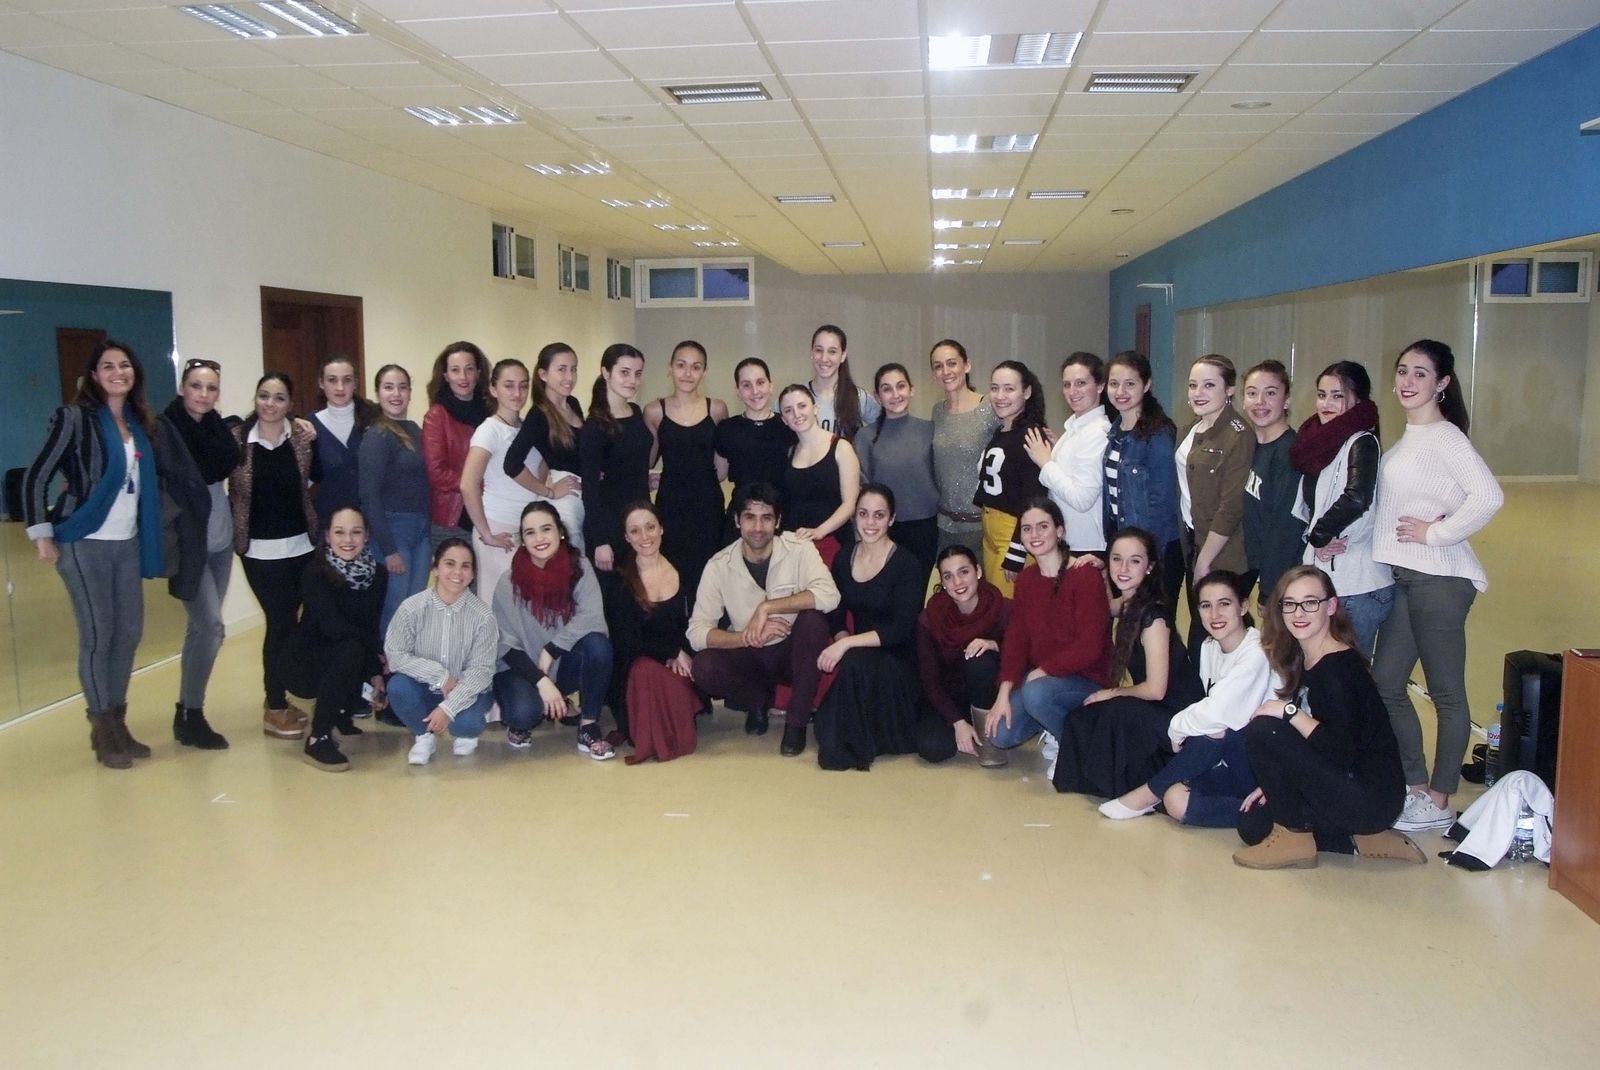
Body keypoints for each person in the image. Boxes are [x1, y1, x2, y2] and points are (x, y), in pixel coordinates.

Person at [1372, 339, 1503, 834]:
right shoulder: (1408, 439)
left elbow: (1488, 496)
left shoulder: (1446, 437)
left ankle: (1442, 796)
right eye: (1402, 371)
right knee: (1387, 683)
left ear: (1442, 384)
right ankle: (1414, 785)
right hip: (1407, 578)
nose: (1406, 381)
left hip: (1441, 580)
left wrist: (1437, 533)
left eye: (1420, 374)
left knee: (1446, 692)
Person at [24, 340, 166, 769]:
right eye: (107, 366)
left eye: (125, 365)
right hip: (83, 540)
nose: (117, 372)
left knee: (128, 634)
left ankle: (119, 721)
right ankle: (102, 730)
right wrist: (41, 533)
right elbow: (36, 475)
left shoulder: (140, 424)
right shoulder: (75, 418)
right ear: (93, 374)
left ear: (135, 373)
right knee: (99, 635)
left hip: (127, 542)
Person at [1232, 566, 1421, 869]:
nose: (1299, 613)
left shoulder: (1339, 670)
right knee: (1253, 822)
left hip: (1369, 795)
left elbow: (1340, 751)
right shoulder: (1306, 657)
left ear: (1331, 606)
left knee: (1264, 729)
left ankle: (1299, 840)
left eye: (1310, 602)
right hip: (1343, 783)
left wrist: (1288, 711)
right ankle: (1360, 840)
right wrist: (1276, 782)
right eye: (1289, 604)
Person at [1099, 570, 1274, 825]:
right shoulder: (1209, 648)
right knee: (1175, 800)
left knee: (1217, 728)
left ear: (1243, 606)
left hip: (1263, 763)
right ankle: (1271, 813)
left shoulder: (1257, 651)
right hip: (1230, 764)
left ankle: (1146, 794)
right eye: (1206, 606)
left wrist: (1176, 728)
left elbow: (1219, 713)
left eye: (1224, 604)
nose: (1214, 615)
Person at [688, 481, 841, 756]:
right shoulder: (718, 565)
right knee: (704, 666)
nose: (758, 528)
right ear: (737, 521)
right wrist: (744, 636)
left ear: (778, 521)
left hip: (793, 654)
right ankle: (757, 702)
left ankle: (796, 722)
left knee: (814, 621)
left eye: (766, 518)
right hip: (749, 654)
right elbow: (697, 632)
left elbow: (830, 595)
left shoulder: (799, 549)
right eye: (749, 517)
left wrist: (767, 607)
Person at [1053, 527, 1204, 796]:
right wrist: (1099, 571)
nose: (1123, 568)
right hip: (1153, 704)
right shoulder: (1129, 601)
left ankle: (1124, 785)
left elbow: (1156, 690)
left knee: (1112, 710)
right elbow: (1109, 607)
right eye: (1116, 559)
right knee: (1079, 718)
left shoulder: (1154, 617)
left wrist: (1110, 693)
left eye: (1134, 561)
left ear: (1149, 567)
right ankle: (1088, 785)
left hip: (1175, 713)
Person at [983, 499, 1111, 765]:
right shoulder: (1027, 579)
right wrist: (1003, 693)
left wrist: (1041, 672)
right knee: (1000, 734)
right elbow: (1016, 640)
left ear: (1060, 531)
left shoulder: (1084, 575)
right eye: (1027, 529)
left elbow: (1090, 647)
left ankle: (1077, 750)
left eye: (1043, 526)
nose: (1035, 535)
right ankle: (1053, 721)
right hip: (1046, 682)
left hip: (1087, 679)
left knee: (1036, 693)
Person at [811, 484, 929, 770]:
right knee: (853, 663)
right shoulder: (844, 556)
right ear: (854, 517)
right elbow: (835, 607)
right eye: (863, 514)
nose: (870, 523)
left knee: (853, 662)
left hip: (898, 659)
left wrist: (847, 643)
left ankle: (856, 742)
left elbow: (900, 630)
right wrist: (841, 635)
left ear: (891, 519)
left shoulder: (907, 564)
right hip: (861, 653)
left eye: (879, 515)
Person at [230, 372, 320, 741]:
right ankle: (274, 705)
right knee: (279, 622)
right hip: (260, 553)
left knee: (305, 619)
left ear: (290, 403)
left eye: (279, 397)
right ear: (255, 399)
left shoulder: (300, 438)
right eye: (264, 396)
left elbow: (317, 477)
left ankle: (296, 686)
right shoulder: (237, 441)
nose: (270, 404)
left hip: (302, 546)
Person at [155, 356, 240, 751]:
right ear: (181, 388)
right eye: (196, 386)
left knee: (200, 629)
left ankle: (185, 714)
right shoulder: (165, 429)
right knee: (210, 628)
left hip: (220, 542)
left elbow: (229, 458)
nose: (203, 395)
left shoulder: (218, 429)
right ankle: (193, 713)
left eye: (211, 388)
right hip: (188, 542)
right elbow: (190, 470)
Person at [491, 502, 615, 759]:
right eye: (530, 532)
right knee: (524, 713)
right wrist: (541, 680)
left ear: (560, 531)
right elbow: (505, 645)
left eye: (546, 529)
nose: (539, 539)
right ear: (522, 540)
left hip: (560, 662)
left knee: (598, 646)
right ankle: (524, 718)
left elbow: (591, 618)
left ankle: (588, 725)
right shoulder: (508, 582)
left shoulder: (580, 567)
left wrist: (551, 648)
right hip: (522, 669)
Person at [1289, 360, 1391, 659]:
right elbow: (1312, 506)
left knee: (1351, 677)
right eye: (1322, 395)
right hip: (1328, 579)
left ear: (1358, 399)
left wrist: (1319, 535)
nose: (1327, 403)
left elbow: (1357, 498)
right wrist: (1315, 537)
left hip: (1357, 586)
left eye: (1337, 395)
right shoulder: (1319, 443)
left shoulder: (1362, 441)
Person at [287, 506, 387, 772]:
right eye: (339, 532)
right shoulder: (314, 573)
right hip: (305, 663)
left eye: (356, 532)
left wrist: (376, 671)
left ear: (367, 536)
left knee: (357, 650)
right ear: (328, 537)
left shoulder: (377, 575)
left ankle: (342, 712)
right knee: (352, 649)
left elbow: (370, 625)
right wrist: (376, 655)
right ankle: (317, 737)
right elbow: (335, 628)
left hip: (345, 652)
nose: (348, 540)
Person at [384, 537, 498, 766]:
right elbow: (395, 655)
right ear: (435, 568)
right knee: (397, 687)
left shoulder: (484, 616)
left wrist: (449, 707)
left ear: (473, 574)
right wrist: (440, 675)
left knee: (466, 725)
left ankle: (464, 730)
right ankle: (423, 735)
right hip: (424, 686)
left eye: (465, 566)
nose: (457, 572)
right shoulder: (412, 608)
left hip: (468, 691)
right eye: (449, 564)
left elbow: (482, 672)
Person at [604, 502, 702, 764]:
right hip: (635, 669)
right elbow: (627, 641)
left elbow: (698, 621)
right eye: (635, 531)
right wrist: (671, 652)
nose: (644, 536)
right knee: (645, 669)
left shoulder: (686, 569)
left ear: (662, 528)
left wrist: (683, 654)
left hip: (680, 662)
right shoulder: (619, 580)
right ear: (626, 537)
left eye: (650, 527)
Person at [1178, 354, 1254, 655]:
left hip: (1223, 554)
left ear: (1230, 390)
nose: (1198, 393)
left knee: (1220, 634)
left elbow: (1231, 507)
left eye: (1209, 385)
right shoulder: (1188, 431)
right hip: (1193, 545)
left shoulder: (1238, 435)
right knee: (1204, 636)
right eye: (1193, 385)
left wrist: (1205, 562)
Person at [644, 340, 727, 594]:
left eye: (695, 367)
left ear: (704, 371)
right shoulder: (654, 411)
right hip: (671, 504)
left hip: (708, 504)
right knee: (673, 573)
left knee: (710, 575)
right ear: (670, 368)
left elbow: (722, 467)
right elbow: (646, 461)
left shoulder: (717, 409)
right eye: (681, 365)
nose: (687, 373)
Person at [916, 545, 1009, 767]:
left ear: (977, 571)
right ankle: (966, 727)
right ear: (943, 582)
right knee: (933, 748)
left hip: (991, 696)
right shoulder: (930, 617)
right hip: (950, 697)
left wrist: (995, 644)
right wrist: (957, 722)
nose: (957, 583)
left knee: (979, 659)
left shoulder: (1002, 608)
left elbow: (1025, 655)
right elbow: (929, 680)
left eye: (963, 572)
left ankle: (990, 740)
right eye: (948, 576)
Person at [1102, 351, 1182, 610]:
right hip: (1122, 543)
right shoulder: (1115, 431)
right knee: (1129, 622)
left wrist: (1149, 558)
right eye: (1114, 384)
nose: (1120, 391)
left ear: (1146, 385)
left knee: (1154, 623)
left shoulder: (1157, 434)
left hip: (1152, 549)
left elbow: (1163, 502)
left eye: (1130, 384)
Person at [359, 364, 430, 638]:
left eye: (402, 387)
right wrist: (388, 549)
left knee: (415, 606)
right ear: (378, 393)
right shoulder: (377, 435)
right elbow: (369, 496)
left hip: (421, 530)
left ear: (411, 392)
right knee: (394, 609)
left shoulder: (414, 429)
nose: (396, 394)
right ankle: (386, 675)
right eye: (388, 387)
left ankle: (406, 671)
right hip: (393, 531)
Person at [854, 363, 939, 579]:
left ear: (911, 389)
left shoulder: (929, 429)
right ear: (877, 396)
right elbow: (861, 488)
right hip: (883, 529)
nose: (895, 394)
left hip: (925, 526)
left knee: (918, 593)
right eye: (886, 389)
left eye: (900, 386)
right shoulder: (865, 437)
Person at [460, 358, 533, 602]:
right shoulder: (490, 429)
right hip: (499, 528)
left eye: (523, 386)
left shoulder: (527, 428)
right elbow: (468, 484)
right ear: (493, 389)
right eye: (509, 386)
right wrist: (487, 534)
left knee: (524, 607)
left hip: (527, 528)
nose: (517, 393)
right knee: (496, 606)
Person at [973, 360, 1048, 598]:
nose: (1000, 396)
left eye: (1009, 388)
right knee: (996, 601)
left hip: (1012, 534)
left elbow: (1034, 498)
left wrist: (1017, 551)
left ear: (1026, 392)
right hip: (990, 531)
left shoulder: (1031, 435)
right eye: (994, 388)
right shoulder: (1002, 431)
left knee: (1007, 608)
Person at [1026, 351, 1110, 557]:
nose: (1072, 391)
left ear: (1100, 386)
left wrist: (1046, 463)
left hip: (1086, 546)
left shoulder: (1097, 432)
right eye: (1067, 384)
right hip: (1070, 541)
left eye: (1081, 383)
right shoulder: (1075, 429)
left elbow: (1082, 499)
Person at [503, 341, 586, 546]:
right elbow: (511, 463)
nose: (569, 377)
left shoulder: (573, 403)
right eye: (561, 370)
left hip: (586, 494)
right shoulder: (538, 415)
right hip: (567, 500)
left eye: (573, 369)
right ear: (543, 374)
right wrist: (548, 491)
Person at [580, 343, 654, 572]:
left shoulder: (636, 412)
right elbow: (590, 490)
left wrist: (646, 476)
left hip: (640, 520)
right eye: (624, 372)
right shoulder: (594, 427)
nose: (632, 380)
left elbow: (630, 461)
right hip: (611, 526)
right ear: (606, 372)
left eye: (638, 373)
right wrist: (601, 541)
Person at [778, 383, 861, 567]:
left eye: (802, 406)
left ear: (815, 408)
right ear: (784, 419)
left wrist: (819, 531)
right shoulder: (789, 452)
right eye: (789, 410)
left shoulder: (841, 448)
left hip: (833, 543)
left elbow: (850, 504)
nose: (797, 414)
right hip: (796, 547)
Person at [1240, 360, 1301, 607]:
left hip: (1283, 578)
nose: (1260, 402)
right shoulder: (1247, 447)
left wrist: (1269, 590)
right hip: (1252, 566)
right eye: (1252, 393)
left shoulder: (1290, 452)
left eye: (1271, 393)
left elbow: (1285, 529)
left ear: (1286, 401)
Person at [929, 339, 998, 559]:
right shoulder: (937, 412)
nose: (945, 371)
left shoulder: (989, 407)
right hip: (945, 527)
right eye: (938, 366)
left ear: (966, 366)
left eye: (952, 363)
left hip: (982, 528)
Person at [421, 340, 489, 545]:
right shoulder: (436, 416)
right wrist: (478, 484)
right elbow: (436, 473)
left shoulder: (492, 413)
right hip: (453, 518)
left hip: (489, 513)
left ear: (478, 373)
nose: (463, 377)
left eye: (469, 369)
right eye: (455, 370)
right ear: (445, 376)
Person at [714, 357, 795, 510]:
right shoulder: (727, 429)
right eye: (746, 385)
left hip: (782, 515)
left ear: (771, 386)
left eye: (760, 382)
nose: (755, 391)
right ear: (737, 391)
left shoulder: (789, 426)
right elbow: (719, 474)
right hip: (741, 516)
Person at [308, 353, 372, 525]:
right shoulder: (308, 427)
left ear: (355, 383)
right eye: (332, 380)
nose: (340, 387)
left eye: (347, 380)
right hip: (329, 523)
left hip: (370, 522)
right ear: (321, 383)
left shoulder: (374, 419)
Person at [806, 323, 879, 440]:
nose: (824, 358)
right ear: (811, 353)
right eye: (819, 350)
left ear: (843, 355)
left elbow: (886, 429)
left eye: (832, 351)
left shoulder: (860, 397)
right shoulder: (796, 397)